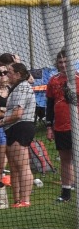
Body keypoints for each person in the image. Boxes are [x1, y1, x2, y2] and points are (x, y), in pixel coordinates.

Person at [0, 63, 36, 207]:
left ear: (18, 74)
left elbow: (18, 114)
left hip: (20, 127)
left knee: (22, 165)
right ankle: (17, 200)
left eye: (10, 72)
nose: (7, 75)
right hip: (14, 128)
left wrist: (2, 121)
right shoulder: (17, 87)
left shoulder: (22, 87)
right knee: (14, 166)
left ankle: (25, 200)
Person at [45, 49, 76, 203]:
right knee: (65, 159)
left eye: (65, 62)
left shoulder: (77, 78)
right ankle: (66, 191)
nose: (63, 65)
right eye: (60, 62)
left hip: (76, 125)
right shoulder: (53, 81)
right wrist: (48, 126)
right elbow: (49, 105)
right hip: (61, 126)